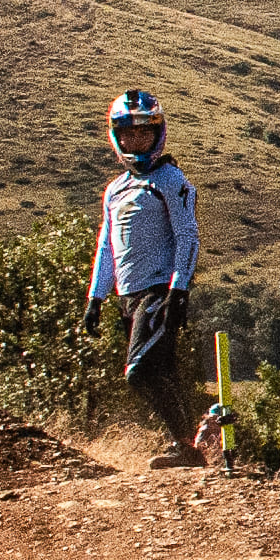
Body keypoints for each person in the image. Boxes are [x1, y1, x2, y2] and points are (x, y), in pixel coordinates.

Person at [83, 90, 201, 449]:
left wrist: (178, 290)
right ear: (116, 137)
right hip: (127, 296)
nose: (135, 141)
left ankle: (185, 443)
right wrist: (95, 297)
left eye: (143, 134)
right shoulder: (115, 189)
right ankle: (188, 446)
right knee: (162, 373)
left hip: (158, 291)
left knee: (139, 371)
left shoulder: (170, 180)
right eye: (128, 135)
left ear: (158, 133)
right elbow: (106, 245)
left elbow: (187, 236)